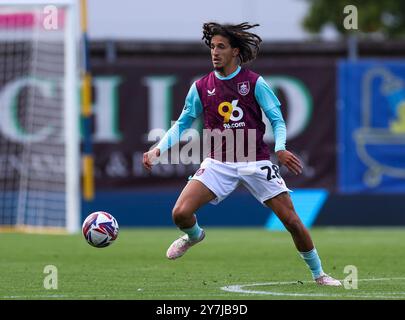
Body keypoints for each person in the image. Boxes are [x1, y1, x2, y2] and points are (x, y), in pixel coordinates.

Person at [143, 22, 341, 286]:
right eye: (212, 47)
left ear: (235, 51)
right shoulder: (201, 87)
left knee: (292, 221)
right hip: (218, 163)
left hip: (255, 161)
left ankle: (319, 274)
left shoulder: (254, 83)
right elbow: (182, 124)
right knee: (180, 213)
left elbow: (277, 120)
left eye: (221, 47)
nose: (215, 52)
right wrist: (158, 149)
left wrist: (280, 148)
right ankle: (194, 236)